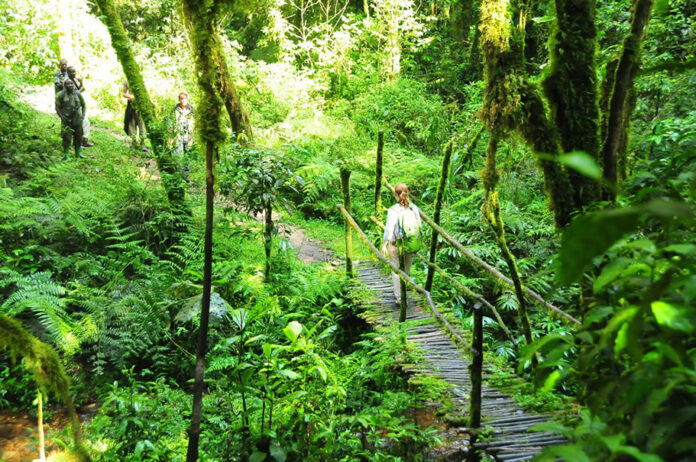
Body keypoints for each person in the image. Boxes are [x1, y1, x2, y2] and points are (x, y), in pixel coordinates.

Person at [381, 183, 423, 306]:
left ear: (395, 194)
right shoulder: (414, 208)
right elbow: (419, 226)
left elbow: (389, 230)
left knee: (396, 270)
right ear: (407, 193)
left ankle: (399, 298)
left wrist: (385, 245)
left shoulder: (393, 210)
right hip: (410, 244)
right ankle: (404, 293)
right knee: (406, 271)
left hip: (396, 245)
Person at [55, 79, 86, 160]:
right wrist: (61, 117)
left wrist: (82, 116)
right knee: (66, 137)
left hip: (77, 119)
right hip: (66, 120)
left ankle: (78, 153)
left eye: (71, 83)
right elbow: (57, 107)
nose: (70, 85)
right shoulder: (60, 95)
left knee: (78, 136)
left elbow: (84, 105)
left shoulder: (78, 93)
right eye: (68, 84)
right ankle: (66, 155)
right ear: (65, 85)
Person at [66, 66, 94, 147]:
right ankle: (81, 142)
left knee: (85, 122)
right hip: (71, 106)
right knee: (81, 122)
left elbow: (81, 88)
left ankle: (84, 140)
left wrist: (81, 82)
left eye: (75, 72)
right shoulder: (67, 81)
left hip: (78, 105)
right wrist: (80, 89)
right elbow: (75, 93)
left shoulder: (74, 79)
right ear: (68, 73)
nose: (74, 73)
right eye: (72, 72)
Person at [173, 92, 194, 178]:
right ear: (179, 99)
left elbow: (195, 123)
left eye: (185, 98)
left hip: (188, 135)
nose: (183, 100)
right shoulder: (175, 109)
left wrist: (192, 137)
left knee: (187, 155)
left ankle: (186, 176)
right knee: (177, 154)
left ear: (187, 99)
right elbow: (171, 123)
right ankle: (178, 175)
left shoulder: (191, 109)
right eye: (181, 98)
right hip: (177, 135)